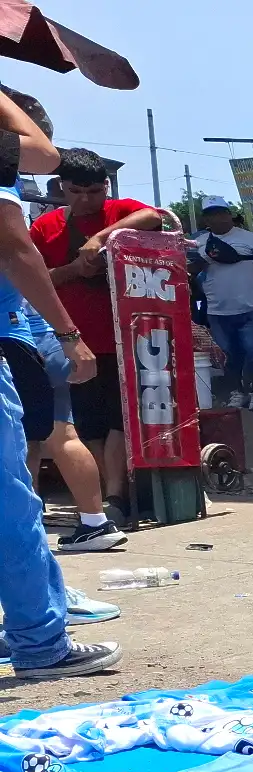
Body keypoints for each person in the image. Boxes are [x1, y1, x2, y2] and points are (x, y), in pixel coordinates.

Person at [0, 91, 121, 678]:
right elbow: (17, 245)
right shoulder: (14, 182)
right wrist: (67, 330)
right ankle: (38, 639)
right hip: (15, 336)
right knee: (12, 500)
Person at [30, 147, 162, 527]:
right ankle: (105, 496)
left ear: (106, 187)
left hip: (125, 338)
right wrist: (74, 268)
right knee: (87, 426)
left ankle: (116, 496)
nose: (85, 200)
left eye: (93, 192)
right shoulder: (45, 227)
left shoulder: (119, 211)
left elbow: (153, 216)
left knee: (120, 419)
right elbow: (37, 280)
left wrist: (101, 238)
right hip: (72, 342)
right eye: (75, 192)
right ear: (62, 189)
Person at [192, 195, 253, 412]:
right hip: (217, 311)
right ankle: (235, 393)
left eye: (222, 212)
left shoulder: (250, 238)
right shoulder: (199, 243)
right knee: (227, 355)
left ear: (230, 214)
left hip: (250, 308)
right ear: (206, 220)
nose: (218, 218)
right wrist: (204, 260)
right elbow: (188, 273)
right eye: (212, 214)